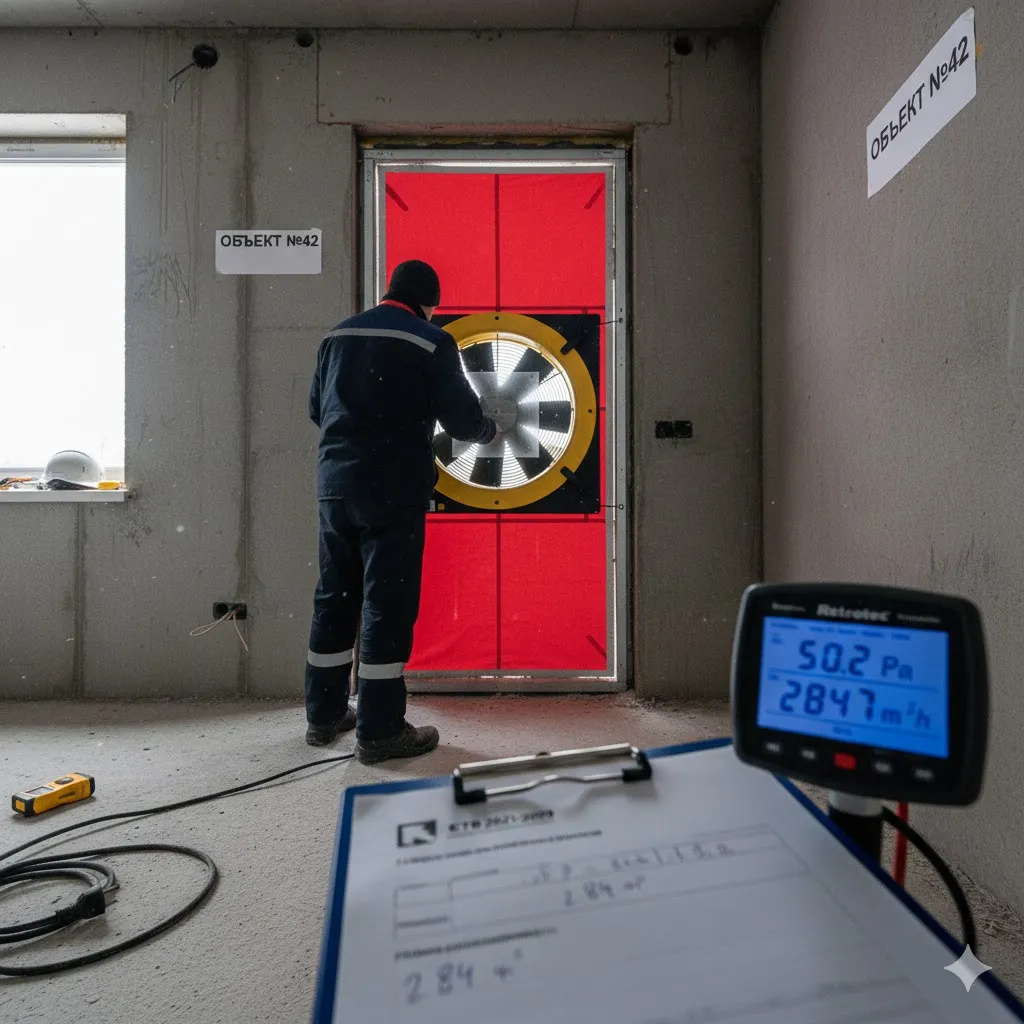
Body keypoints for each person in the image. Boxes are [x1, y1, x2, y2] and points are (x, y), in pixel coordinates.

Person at [305, 260, 497, 763]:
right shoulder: (430, 340)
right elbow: (460, 418)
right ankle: (381, 729)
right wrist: (486, 431)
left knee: (334, 597)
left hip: (334, 487)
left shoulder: (337, 336)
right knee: (386, 605)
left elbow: (315, 410)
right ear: (428, 302)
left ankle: (323, 715)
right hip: (393, 489)